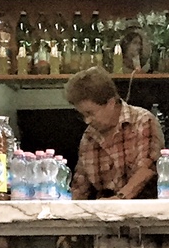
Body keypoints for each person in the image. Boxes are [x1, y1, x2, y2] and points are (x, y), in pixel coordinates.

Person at [64, 66, 163, 200]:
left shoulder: (142, 121)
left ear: (110, 103)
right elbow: (80, 187)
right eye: (82, 115)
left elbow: (146, 171)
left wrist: (118, 200)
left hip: (144, 212)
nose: (87, 121)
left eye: (90, 113)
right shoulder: (89, 137)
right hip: (103, 214)